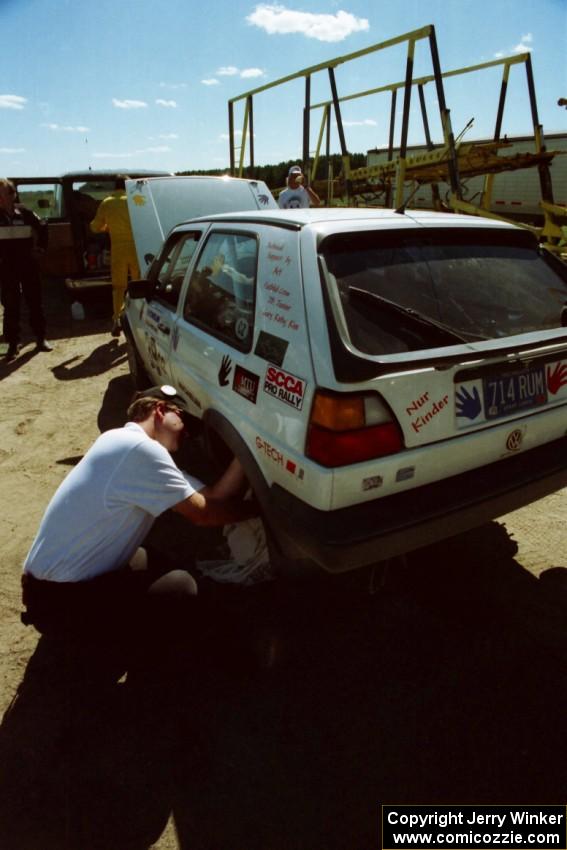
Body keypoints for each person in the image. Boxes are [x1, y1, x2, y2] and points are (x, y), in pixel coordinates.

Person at [20, 384, 260, 670]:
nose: (187, 433)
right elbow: (204, 515)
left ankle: (96, 631)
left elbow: (213, 497)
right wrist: (258, 511)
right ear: (160, 410)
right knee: (182, 590)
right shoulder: (140, 450)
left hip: (43, 591)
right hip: (62, 604)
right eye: (184, 421)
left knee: (151, 559)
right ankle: (123, 662)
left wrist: (245, 453)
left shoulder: (121, 443)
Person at [0, 178, 52, 362]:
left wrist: (41, 249)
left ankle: (41, 339)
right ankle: (12, 345)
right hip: (6, 268)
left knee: (35, 302)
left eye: (3, 193)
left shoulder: (25, 213)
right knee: (11, 306)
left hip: (28, 265)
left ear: (12, 195)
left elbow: (43, 228)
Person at [90, 175, 139, 337]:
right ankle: (139, 319)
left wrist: (107, 226)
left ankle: (117, 319)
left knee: (119, 287)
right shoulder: (135, 199)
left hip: (118, 249)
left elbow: (95, 227)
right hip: (136, 248)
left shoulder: (107, 202)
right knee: (139, 285)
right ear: (127, 186)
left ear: (115, 187)